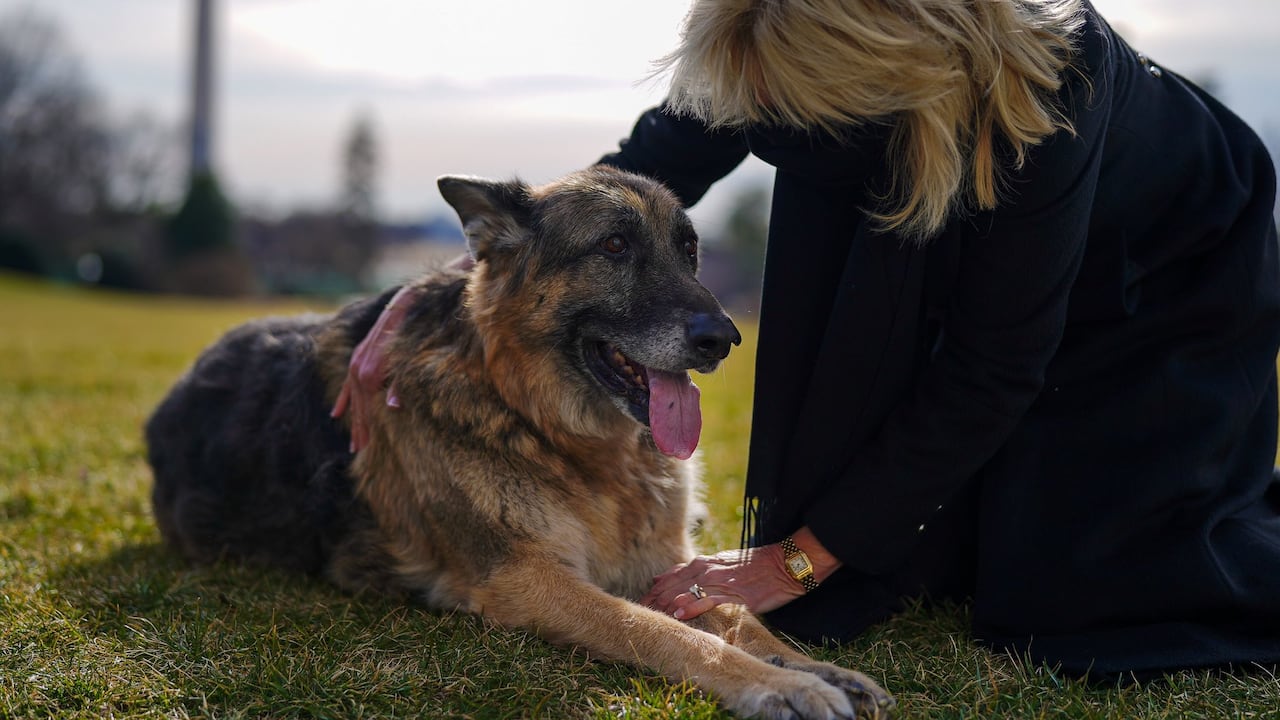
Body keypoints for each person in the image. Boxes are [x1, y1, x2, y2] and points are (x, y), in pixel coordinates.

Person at [335, 0, 1280, 679]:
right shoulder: (768, 31)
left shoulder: (1050, 91)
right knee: (921, 562)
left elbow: (995, 363)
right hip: (956, 188)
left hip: (1166, 263)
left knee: (1081, 598)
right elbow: (624, 183)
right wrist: (446, 289)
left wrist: (793, 560)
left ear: (881, 80)